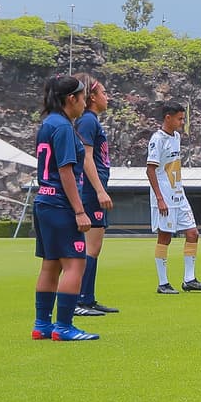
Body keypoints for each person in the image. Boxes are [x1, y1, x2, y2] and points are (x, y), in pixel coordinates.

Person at [31, 74, 98, 340]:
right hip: (61, 205)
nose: (85, 103)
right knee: (74, 265)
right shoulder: (64, 128)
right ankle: (64, 327)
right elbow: (66, 170)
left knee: (50, 265)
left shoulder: (48, 123)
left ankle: (42, 325)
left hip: (44, 202)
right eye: (83, 98)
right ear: (71, 99)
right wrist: (80, 210)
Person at [146, 102, 201, 294]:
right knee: (165, 236)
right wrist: (159, 198)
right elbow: (150, 170)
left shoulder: (176, 137)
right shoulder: (157, 139)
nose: (182, 122)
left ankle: (189, 279)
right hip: (165, 196)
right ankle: (163, 283)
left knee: (193, 233)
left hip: (178, 193)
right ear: (168, 117)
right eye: (180, 119)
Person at [72, 73, 119, 317]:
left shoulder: (92, 120)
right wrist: (100, 190)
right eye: (103, 92)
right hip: (91, 192)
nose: (106, 97)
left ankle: (87, 298)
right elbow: (87, 157)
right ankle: (80, 300)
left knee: (95, 247)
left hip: (93, 190)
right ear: (91, 97)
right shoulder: (88, 121)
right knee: (91, 247)